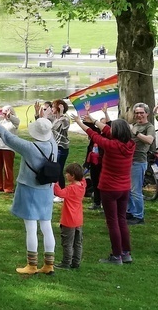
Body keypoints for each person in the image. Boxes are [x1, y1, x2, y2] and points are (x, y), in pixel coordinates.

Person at [0, 117, 57, 275]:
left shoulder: (30, 148)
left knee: (31, 229)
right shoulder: (53, 144)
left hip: (30, 189)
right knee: (46, 226)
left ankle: (32, 265)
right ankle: (49, 265)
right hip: (47, 189)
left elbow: (8, 137)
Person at [72, 112, 135, 264]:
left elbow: (93, 134)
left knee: (112, 221)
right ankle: (126, 254)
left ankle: (116, 256)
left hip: (109, 188)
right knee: (121, 220)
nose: (109, 129)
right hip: (125, 188)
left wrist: (79, 122)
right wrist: (93, 119)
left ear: (116, 132)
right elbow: (105, 130)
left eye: (111, 128)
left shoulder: (110, 145)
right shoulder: (131, 145)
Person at [52, 163, 86, 269]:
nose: (65, 175)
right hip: (78, 220)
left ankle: (66, 262)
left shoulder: (71, 189)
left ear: (73, 176)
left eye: (67, 174)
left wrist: (55, 182)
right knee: (77, 242)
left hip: (68, 220)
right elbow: (83, 179)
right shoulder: (82, 185)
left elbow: (59, 193)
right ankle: (76, 262)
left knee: (67, 243)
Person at [127, 102, 154, 225]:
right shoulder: (133, 125)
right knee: (127, 189)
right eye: (137, 113)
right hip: (128, 161)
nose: (139, 115)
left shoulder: (149, 127)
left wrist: (136, 132)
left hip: (138, 162)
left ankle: (139, 216)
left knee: (135, 190)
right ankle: (130, 212)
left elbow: (149, 140)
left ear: (147, 113)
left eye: (141, 113)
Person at [0, 105, 20, 193]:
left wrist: (9, 116)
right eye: (3, 111)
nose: (3, 113)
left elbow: (16, 121)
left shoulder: (15, 120)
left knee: (7, 168)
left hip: (8, 147)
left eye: (5, 111)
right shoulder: (0, 119)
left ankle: (8, 187)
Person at [48, 99, 71, 192]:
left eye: (53, 106)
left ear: (58, 107)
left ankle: (61, 190)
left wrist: (61, 113)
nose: (52, 108)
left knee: (59, 169)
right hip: (54, 146)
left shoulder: (65, 118)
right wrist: (37, 113)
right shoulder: (54, 118)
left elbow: (65, 127)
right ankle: (55, 189)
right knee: (54, 168)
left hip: (62, 148)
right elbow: (43, 121)